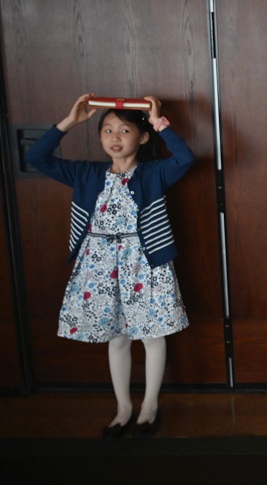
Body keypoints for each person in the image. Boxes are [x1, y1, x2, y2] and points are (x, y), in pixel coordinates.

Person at [26, 93, 193, 438]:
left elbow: (185, 159)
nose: (115, 138)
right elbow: (35, 156)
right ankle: (123, 407)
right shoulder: (86, 173)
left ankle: (149, 406)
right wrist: (70, 122)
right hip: (99, 265)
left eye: (125, 131)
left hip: (144, 263)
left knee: (151, 334)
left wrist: (159, 120)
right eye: (107, 131)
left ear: (142, 137)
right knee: (116, 337)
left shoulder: (153, 174)